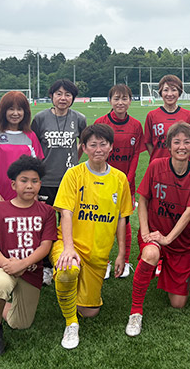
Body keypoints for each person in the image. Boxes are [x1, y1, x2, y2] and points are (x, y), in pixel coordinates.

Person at [50, 124, 133, 349]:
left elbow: (122, 219)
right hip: (71, 244)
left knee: (90, 311)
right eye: (93, 145)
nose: (98, 149)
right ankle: (71, 323)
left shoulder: (119, 179)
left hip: (98, 255)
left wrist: (121, 254)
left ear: (111, 147)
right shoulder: (74, 174)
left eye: (103, 144)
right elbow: (66, 213)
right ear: (84, 148)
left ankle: (70, 291)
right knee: (68, 270)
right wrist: (68, 248)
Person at [126, 122, 190, 337]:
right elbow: (143, 199)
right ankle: (135, 312)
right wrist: (145, 233)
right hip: (154, 233)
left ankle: (162, 266)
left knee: (178, 303)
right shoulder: (156, 166)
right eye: (176, 142)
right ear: (169, 146)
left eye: (187, 142)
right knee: (151, 253)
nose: (182, 146)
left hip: (179, 241)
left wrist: (168, 239)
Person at [0, 156, 57, 356]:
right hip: (3, 267)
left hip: (31, 270)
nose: (29, 185)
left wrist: (23, 264)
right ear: (13, 184)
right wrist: (8, 264)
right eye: (24, 180)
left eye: (35, 181)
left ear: (40, 184)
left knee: (20, 323)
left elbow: (45, 246)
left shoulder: (47, 212)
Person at [31, 79, 86, 284]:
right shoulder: (40, 118)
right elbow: (33, 146)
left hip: (69, 181)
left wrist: (74, 161)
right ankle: (45, 266)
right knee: (46, 226)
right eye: (59, 94)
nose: (63, 98)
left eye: (68, 94)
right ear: (51, 96)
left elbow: (84, 143)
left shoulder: (79, 118)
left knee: (68, 223)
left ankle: (70, 259)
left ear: (73, 98)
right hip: (45, 181)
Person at [95, 84, 145, 279]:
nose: (120, 102)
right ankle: (104, 261)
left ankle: (124, 261)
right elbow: (97, 153)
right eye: (116, 98)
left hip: (126, 183)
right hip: (103, 181)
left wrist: (127, 179)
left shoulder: (136, 125)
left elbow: (135, 155)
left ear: (130, 101)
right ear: (110, 101)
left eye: (124, 98)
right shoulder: (101, 123)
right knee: (102, 221)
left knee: (124, 221)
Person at [0, 91, 44, 202]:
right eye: (11, 109)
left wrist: (35, 194)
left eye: (19, 109)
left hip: (26, 197)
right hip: (1, 197)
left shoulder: (31, 136)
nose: (15, 113)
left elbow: (37, 168)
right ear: (3, 111)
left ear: (25, 112)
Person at [143, 74, 190, 162]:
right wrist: (157, 157)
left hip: (182, 164)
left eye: (173, 90)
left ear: (179, 92)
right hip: (159, 164)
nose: (169, 94)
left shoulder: (188, 115)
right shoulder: (152, 115)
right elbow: (148, 142)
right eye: (166, 90)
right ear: (161, 92)